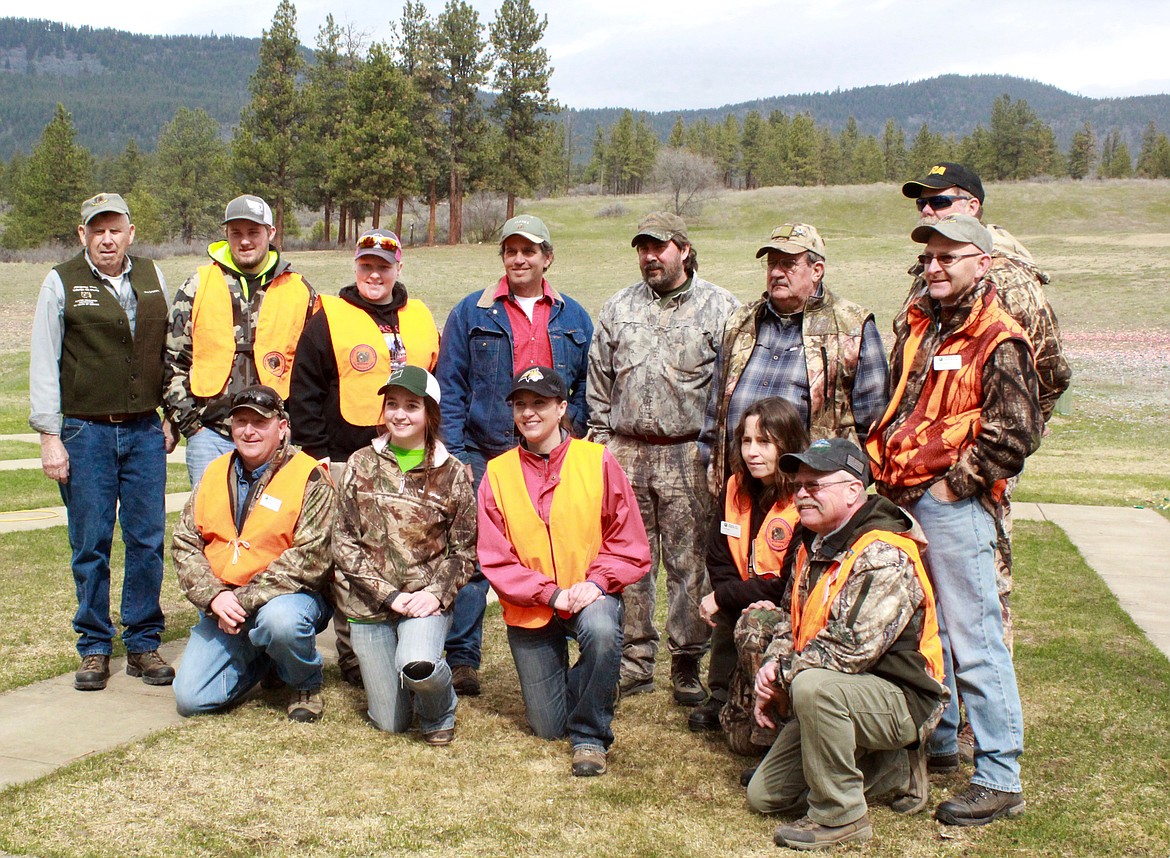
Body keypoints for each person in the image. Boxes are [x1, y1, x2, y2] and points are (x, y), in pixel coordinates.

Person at [868, 214, 1041, 826]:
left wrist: (951, 487)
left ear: (982, 263)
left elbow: (1016, 432)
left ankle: (999, 775)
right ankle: (938, 747)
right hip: (901, 497)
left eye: (950, 256)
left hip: (954, 506)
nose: (935, 266)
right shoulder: (923, 326)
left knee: (975, 638)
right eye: (929, 257)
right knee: (926, 631)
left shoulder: (999, 337)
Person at [900, 161, 1071, 655]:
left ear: (973, 206)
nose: (929, 209)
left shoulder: (1009, 281)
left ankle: (981, 727)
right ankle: (939, 712)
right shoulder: (927, 274)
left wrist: (990, 457)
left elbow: (1049, 375)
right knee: (931, 588)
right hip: (924, 466)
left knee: (980, 594)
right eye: (922, 203)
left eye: (941, 200)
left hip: (972, 471)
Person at [746, 439, 948, 851]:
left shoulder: (883, 553)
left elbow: (849, 649)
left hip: (902, 698)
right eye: (798, 484)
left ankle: (840, 816)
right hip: (844, 691)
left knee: (812, 687)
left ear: (854, 490)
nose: (801, 493)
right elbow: (791, 620)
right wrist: (772, 666)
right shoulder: (814, 543)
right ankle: (892, 770)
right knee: (764, 797)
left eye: (814, 485)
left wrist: (783, 675)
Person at [435, 215, 593, 697]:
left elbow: (586, 385)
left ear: (548, 257)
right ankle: (463, 658)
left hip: (553, 456)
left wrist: (572, 436)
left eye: (530, 251)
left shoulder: (574, 317)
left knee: (559, 545)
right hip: (486, 451)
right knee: (473, 555)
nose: (519, 259)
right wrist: (457, 450)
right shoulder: (472, 312)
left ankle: (570, 640)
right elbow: (453, 385)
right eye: (511, 251)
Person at [587, 211, 741, 705]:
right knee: (628, 558)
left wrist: (718, 456)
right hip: (626, 451)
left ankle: (686, 660)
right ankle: (634, 658)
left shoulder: (721, 308)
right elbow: (598, 382)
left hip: (688, 453)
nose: (650, 257)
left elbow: (729, 390)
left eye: (659, 247)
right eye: (642, 249)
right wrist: (601, 446)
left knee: (688, 561)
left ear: (684, 249)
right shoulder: (617, 307)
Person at [29, 192, 177, 691]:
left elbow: (169, 351)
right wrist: (51, 436)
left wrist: (170, 414)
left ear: (130, 232)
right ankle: (94, 646)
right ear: (83, 235)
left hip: (143, 430)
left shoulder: (153, 276)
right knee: (90, 542)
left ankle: (142, 642)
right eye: (98, 230)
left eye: (115, 228)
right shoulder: (60, 282)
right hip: (85, 431)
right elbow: (44, 362)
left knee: (147, 540)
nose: (107, 238)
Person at [477, 367, 650, 777]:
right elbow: (495, 557)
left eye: (540, 403)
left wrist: (595, 583)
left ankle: (591, 735)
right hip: (532, 607)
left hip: (589, 594)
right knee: (548, 728)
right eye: (521, 405)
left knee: (604, 633)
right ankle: (596, 685)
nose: (529, 413)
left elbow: (628, 542)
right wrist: (550, 594)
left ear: (561, 408)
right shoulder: (497, 473)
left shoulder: (597, 461)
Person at [288, 228, 440, 687]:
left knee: (406, 545)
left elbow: (435, 386)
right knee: (349, 554)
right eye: (366, 265)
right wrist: (317, 455)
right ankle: (354, 652)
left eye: (384, 266)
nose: (375, 274)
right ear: (355, 267)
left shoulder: (420, 316)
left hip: (409, 456)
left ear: (399, 269)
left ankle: (411, 635)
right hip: (343, 456)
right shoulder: (328, 317)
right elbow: (305, 390)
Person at [332, 366, 477, 745]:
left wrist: (433, 595)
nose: (399, 414)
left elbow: (465, 551)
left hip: (423, 602)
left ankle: (439, 709)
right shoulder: (360, 462)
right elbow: (344, 541)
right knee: (391, 722)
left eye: (411, 406)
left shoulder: (453, 472)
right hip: (370, 606)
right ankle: (403, 693)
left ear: (430, 413)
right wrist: (389, 595)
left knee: (419, 667)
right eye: (392, 404)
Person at [172, 385, 335, 722]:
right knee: (191, 699)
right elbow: (185, 542)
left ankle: (304, 682)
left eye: (260, 422)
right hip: (224, 602)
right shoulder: (214, 472)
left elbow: (311, 558)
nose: (248, 431)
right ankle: (266, 660)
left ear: (282, 427)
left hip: (288, 599)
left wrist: (241, 601)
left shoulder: (310, 476)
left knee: (281, 623)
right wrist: (214, 597)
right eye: (240, 421)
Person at [700, 223, 888, 498]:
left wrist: (837, 490)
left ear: (817, 270)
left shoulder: (852, 326)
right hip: (740, 492)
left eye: (788, 264)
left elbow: (874, 428)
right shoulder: (740, 322)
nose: (776, 272)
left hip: (812, 497)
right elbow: (714, 415)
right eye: (772, 263)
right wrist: (715, 471)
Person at [164, 195, 316, 486]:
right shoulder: (197, 285)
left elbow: (314, 369)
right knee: (211, 524)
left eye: (253, 233)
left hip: (275, 437)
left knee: (273, 524)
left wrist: (294, 428)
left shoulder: (299, 289)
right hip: (211, 435)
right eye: (237, 233)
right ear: (227, 235)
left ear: (271, 233)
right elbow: (173, 360)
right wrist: (191, 424)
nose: (245, 241)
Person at [689, 397, 807, 745]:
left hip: (785, 607)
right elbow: (718, 553)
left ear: (787, 444)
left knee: (735, 605)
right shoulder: (735, 487)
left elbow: (786, 583)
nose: (753, 451)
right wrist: (725, 596)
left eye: (765, 442)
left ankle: (776, 705)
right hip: (744, 595)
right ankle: (722, 692)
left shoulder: (802, 498)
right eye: (747, 440)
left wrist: (725, 595)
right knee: (727, 607)